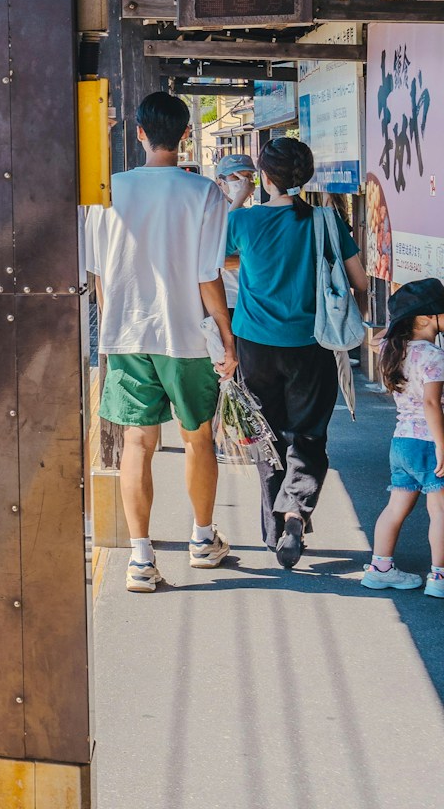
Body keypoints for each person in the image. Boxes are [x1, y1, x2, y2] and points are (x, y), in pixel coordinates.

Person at [83, 92, 236, 593]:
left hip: (126, 336)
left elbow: (100, 276)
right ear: (186, 135)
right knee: (198, 438)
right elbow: (207, 276)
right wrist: (227, 339)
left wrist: (113, 327)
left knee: (136, 443)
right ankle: (202, 539)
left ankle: (141, 559)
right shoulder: (205, 194)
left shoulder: (108, 193)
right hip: (186, 336)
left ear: (140, 133)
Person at [228, 136, 370, 569]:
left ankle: (275, 531)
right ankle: (295, 512)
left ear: (265, 177)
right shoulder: (326, 220)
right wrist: (347, 320)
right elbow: (360, 283)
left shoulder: (244, 223)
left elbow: (219, 260)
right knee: (307, 434)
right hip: (313, 345)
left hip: (254, 346)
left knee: (267, 436)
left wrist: (239, 198)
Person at [362, 278, 444, 595]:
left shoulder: (392, 349)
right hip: (427, 443)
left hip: (401, 443)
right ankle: (439, 577)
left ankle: (380, 568)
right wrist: (442, 446)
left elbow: (375, 340)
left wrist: (398, 322)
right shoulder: (434, 357)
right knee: (438, 511)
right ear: (424, 319)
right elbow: (431, 403)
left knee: (395, 508)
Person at [215, 153, 257, 312]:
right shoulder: (213, 212)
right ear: (220, 182)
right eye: (235, 176)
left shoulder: (249, 214)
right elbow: (217, 259)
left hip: (249, 299)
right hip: (227, 301)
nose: (243, 182)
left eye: (247, 176)